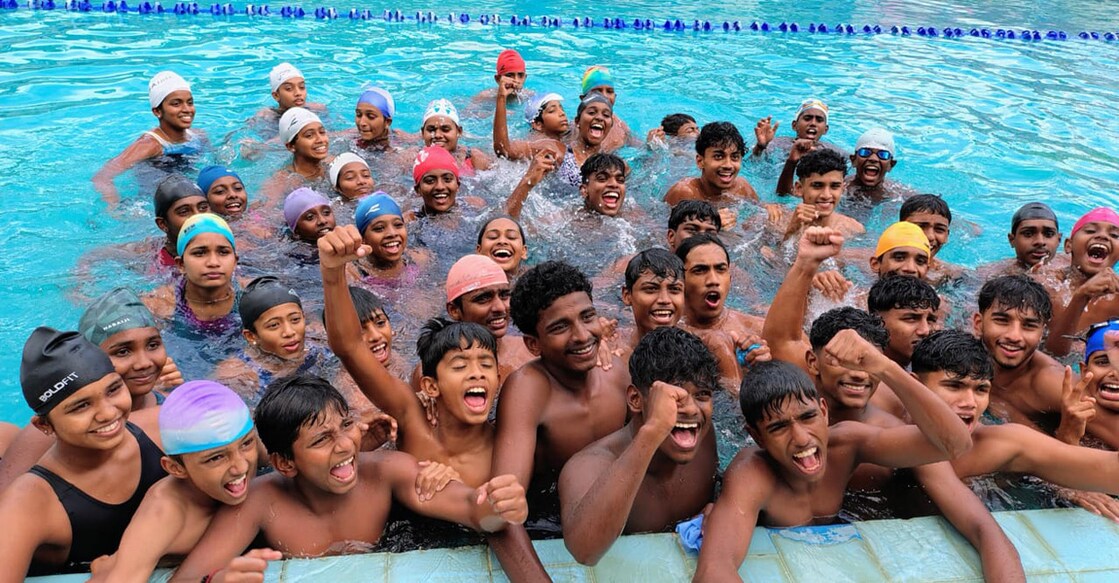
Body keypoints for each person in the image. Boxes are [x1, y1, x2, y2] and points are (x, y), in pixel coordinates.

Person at [168, 374, 528, 581]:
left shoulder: (386, 471)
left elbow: (471, 509)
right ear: (284, 463)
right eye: (322, 440)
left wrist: (497, 505)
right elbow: (187, 579)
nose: (344, 445)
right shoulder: (261, 501)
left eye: (345, 426)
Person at [692, 347, 972, 581]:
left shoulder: (848, 444)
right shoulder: (752, 472)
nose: (801, 439)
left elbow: (955, 443)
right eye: (779, 427)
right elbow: (714, 569)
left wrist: (886, 368)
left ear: (824, 412)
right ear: (756, 436)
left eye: (808, 417)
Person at [320, 229, 503, 486]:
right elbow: (349, 347)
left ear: (498, 377)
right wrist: (332, 272)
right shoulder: (413, 420)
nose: (476, 373)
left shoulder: (505, 444)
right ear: (430, 386)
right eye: (460, 366)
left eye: (485, 365)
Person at [489, 260, 631, 582]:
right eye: (560, 327)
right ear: (532, 344)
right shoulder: (528, 390)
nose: (582, 336)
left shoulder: (618, 375)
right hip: (545, 519)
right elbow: (503, 509)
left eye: (587, 317)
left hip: (599, 515)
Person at [0, 328, 167, 577]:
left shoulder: (161, 427)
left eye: (113, 390)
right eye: (81, 406)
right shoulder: (28, 504)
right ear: (44, 426)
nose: (108, 413)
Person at [558, 327, 724, 565]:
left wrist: (720, 507)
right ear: (636, 400)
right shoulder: (589, 466)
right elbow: (584, 551)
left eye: (702, 395)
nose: (691, 409)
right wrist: (652, 432)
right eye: (675, 397)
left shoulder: (704, 437)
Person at [913, 329, 1119, 520]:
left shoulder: (1002, 444)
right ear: (915, 384)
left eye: (981, 390)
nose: (970, 403)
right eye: (954, 386)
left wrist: (1065, 471)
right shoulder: (887, 433)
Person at [87, 381, 259, 583]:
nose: (241, 467)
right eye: (216, 458)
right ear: (176, 468)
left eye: (246, 444)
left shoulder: (250, 454)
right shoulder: (165, 512)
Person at [970, 275, 1084, 441]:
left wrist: (1068, 438)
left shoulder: (1053, 383)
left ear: (1042, 332)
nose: (1014, 336)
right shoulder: (960, 363)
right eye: (1002, 320)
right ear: (978, 324)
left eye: (1029, 326)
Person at [93, 71, 205, 207]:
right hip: (153, 203)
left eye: (190, 102)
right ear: (157, 111)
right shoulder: (150, 145)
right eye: (176, 104)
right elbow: (102, 177)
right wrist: (114, 209)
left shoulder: (199, 136)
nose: (187, 109)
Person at [214, 276, 326, 407]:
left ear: (303, 317)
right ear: (251, 336)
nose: (289, 332)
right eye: (274, 325)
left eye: (295, 319)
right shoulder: (239, 376)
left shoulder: (320, 346)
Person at [675, 233, 764, 389]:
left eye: (720, 269)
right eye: (700, 270)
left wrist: (765, 368)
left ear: (730, 277)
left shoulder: (757, 328)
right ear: (680, 280)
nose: (713, 281)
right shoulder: (664, 334)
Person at [143, 213, 242, 337]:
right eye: (199, 253)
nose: (213, 262)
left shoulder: (252, 294)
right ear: (181, 264)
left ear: (235, 261)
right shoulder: (159, 306)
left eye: (223, 252)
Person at [1038, 207, 1119, 356]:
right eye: (1090, 231)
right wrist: (1081, 296)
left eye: (1114, 235)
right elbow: (1053, 354)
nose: (1102, 236)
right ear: (1068, 245)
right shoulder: (1047, 286)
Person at [438, 254, 532, 381]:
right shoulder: (436, 370)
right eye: (483, 298)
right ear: (454, 310)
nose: (500, 307)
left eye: (504, 295)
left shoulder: (531, 350)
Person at [664, 122, 759, 230]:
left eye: (735, 157)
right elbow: (665, 234)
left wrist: (770, 209)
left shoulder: (742, 187)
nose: (728, 165)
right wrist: (710, 224)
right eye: (718, 156)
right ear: (700, 161)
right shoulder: (685, 192)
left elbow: (759, 212)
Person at [346, 192, 431, 294]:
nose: (392, 233)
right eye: (379, 228)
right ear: (362, 238)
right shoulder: (353, 274)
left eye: (398, 225)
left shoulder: (420, 259)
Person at [774, 148, 865, 241]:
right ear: (799, 188)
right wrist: (791, 232)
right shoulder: (777, 222)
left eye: (834, 186)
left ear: (843, 188)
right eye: (817, 186)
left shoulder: (853, 230)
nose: (826, 195)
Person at [618, 248, 686, 359]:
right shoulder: (612, 348)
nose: (664, 300)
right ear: (627, 295)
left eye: (674, 289)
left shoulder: (703, 346)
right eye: (651, 289)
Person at [867, 274, 940, 368]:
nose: (925, 331)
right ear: (876, 320)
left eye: (930, 320)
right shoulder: (859, 376)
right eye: (911, 318)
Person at [262, 106, 330, 202]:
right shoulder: (283, 180)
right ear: (291, 146)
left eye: (322, 132)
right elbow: (262, 211)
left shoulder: (333, 164)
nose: (321, 140)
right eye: (309, 135)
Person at [774, 98, 839, 196]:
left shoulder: (834, 152)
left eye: (819, 120)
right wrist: (760, 147)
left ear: (825, 129)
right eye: (807, 118)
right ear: (794, 125)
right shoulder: (777, 144)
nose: (813, 123)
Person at [1072, 320, 1119, 449]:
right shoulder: (1070, 409)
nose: (1115, 373)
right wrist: (1068, 428)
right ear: (1084, 371)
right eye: (1103, 362)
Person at [152, 174, 211, 272]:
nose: (198, 217)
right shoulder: (150, 258)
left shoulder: (233, 245)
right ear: (162, 224)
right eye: (184, 212)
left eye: (203, 208)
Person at [900, 194, 964, 284]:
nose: (930, 236)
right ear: (899, 228)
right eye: (921, 227)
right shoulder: (877, 265)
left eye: (939, 229)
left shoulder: (947, 275)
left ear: (947, 235)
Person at [987, 202, 1065, 276]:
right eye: (1028, 234)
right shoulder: (991, 275)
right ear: (1012, 240)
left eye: (1049, 234)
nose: (1040, 241)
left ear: (1059, 240)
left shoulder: (1069, 264)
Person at [844, 127, 914, 205]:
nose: (873, 159)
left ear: (891, 165)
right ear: (854, 160)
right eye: (865, 152)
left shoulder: (900, 195)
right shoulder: (839, 187)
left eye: (883, 155)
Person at [421, 98, 491, 174]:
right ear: (422, 133)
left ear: (459, 131)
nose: (437, 135)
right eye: (431, 129)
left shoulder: (475, 159)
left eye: (445, 129)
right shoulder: (412, 158)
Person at [493, 90, 568, 161]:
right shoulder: (540, 143)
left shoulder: (568, 131)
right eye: (552, 111)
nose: (562, 113)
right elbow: (504, 150)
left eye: (562, 109)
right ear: (538, 125)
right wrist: (501, 98)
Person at [580, 65, 637, 151]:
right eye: (597, 91)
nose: (605, 96)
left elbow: (641, 151)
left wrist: (652, 144)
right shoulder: (575, 127)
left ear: (615, 97)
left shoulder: (621, 126)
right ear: (584, 99)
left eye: (609, 91)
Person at [351, 86, 403, 153]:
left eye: (371, 117)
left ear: (387, 122)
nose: (362, 123)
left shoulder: (396, 145)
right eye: (359, 115)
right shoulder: (353, 134)